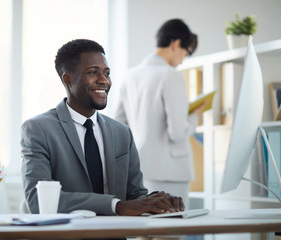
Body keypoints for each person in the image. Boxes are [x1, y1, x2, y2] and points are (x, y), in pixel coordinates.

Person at [21, 39, 184, 216]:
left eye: (107, 73)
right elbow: (38, 200)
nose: (104, 80)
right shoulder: (38, 129)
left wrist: (156, 201)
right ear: (68, 79)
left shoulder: (122, 132)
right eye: (93, 72)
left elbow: (134, 195)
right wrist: (115, 206)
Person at [114, 19, 208, 207]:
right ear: (175, 44)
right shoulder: (170, 75)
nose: (183, 60)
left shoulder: (130, 75)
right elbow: (178, 133)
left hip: (139, 168)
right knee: (171, 231)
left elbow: (119, 125)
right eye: (186, 52)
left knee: (146, 230)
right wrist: (195, 115)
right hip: (170, 171)